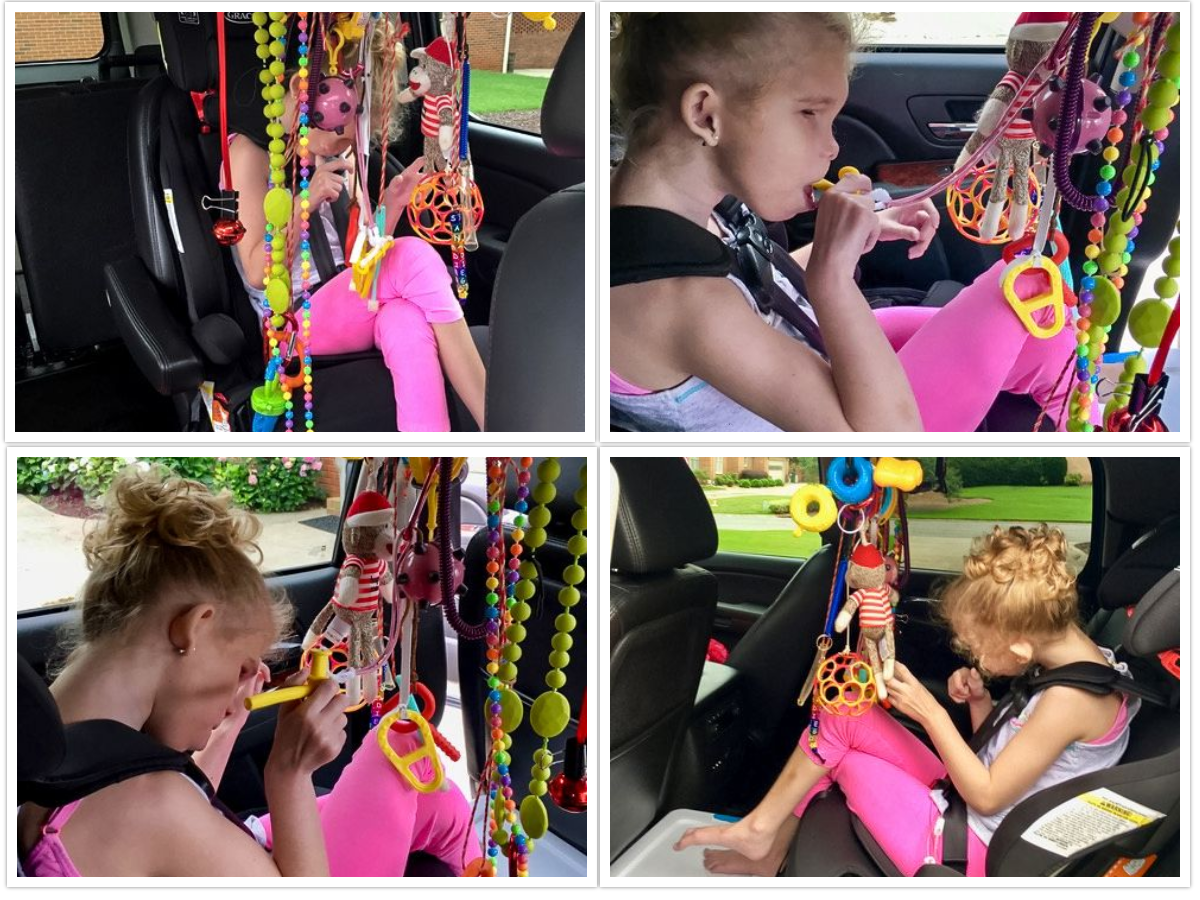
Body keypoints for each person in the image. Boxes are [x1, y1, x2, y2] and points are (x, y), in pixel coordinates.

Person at [610, 13, 1082, 431]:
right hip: (860, 431)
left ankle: (1080, 417)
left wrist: (853, 238)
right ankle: (1087, 422)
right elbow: (890, 439)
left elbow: (752, 288)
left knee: (1048, 338)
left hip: (810, 355)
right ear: (705, 114)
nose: (833, 147)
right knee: (1024, 289)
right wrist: (833, 278)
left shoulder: (683, 213)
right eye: (809, 114)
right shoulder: (677, 298)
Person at [17, 466, 480, 876]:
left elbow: (182, 807)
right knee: (401, 761)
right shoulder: (153, 807)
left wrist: (225, 729)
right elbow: (173, 812)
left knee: (437, 802)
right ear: (193, 628)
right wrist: (289, 774)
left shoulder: (46, 740)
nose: (240, 685)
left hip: (242, 839)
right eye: (240, 663)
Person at [674, 524, 1139, 875]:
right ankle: (764, 839)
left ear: (1020, 645)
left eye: (978, 647)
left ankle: (762, 837)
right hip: (967, 801)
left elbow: (989, 793)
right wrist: (980, 704)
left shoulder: (1071, 700)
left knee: (843, 759)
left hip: (968, 844)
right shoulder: (1086, 662)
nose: (973, 656)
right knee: (844, 710)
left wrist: (932, 712)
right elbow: (1008, 759)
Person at [227, 17, 485, 431]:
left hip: (347, 304)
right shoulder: (252, 156)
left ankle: (429, 453)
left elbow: (359, 261)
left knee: (406, 321)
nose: (359, 133)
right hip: (294, 321)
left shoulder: (341, 156)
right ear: (304, 94)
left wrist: (391, 207)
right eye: (355, 113)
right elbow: (259, 272)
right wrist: (302, 204)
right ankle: (496, 420)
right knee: (415, 257)